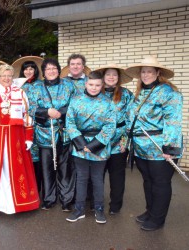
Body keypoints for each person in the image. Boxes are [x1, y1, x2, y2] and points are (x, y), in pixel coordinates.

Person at [125, 56, 183, 231]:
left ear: (158, 73)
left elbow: (173, 120)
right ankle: (150, 211)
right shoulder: (140, 93)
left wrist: (170, 148)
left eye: (150, 71)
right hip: (141, 148)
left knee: (160, 183)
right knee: (148, 181)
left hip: (160, 147)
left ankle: (158, 219)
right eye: (143, 71)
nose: (145, 75)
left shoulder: (168, 92)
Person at [0, 64, 40, 214]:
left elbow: (26, 116)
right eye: (3, 75)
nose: (6, 78)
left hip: (15, 136)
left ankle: (19, 202)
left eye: (9, 76)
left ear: (13, 77)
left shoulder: (20, 93)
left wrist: (29, 136)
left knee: (14, 167)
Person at [66, 71, 116, 224]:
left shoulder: (108, 103)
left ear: (102, 86)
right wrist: (82, 143)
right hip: (79, 144)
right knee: (81, 178)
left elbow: (110, 126)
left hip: (99, 147)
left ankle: (99, 209)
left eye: (97, 85)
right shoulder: (76, 100)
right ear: (86, 84)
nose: (94, 88)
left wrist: (94, 145)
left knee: (97, 179)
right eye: (91, 84)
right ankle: (79, 209)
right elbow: (70, 122)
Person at [33, 58, 76, 211]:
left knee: (66, 169)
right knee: (47, 168)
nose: (51, 71)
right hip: (44, 133)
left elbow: (75, 103)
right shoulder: (36, 87)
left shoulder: (68, 85)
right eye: (47, 69)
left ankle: (66, 199)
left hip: (63, 133)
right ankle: (48, 198)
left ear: (58, 70)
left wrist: (59, 113)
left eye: (54, 68)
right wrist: (46, 112)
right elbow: (30, 107)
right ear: (43, 72)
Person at [93, 63, 133, 215]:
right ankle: (97, 204)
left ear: (118, 78)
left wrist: (125, 142)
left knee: (117, 176)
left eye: (114, 75)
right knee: (97, 175)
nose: (111, 77)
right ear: (103, 77)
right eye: (108, 74)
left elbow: (131, 119)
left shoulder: (126, 94)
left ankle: (115, 205)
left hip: (119, 142)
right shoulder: (96, 93)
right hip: (99, 141)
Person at [12, 56, 44, 193]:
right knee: (23, 156)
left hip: (39, 125)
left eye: (31, 68)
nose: (29, 71)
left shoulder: (42, 85)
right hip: (21, 125)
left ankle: (37, 187)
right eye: (26, 69)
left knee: (38, 158)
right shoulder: (17, 86)